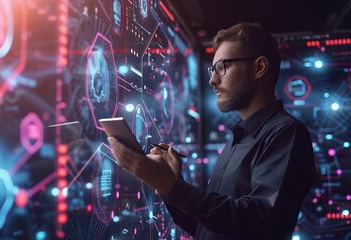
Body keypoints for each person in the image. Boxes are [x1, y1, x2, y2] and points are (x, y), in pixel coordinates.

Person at [108, 22, 317, 240]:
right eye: (212, 69)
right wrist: (170, 183)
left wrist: (167, 184)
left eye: (222, 67)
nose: (212, 80)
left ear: (259, 68)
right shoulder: (238, 138)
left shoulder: (287, 132)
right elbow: (208, 228)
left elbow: (261, 221)